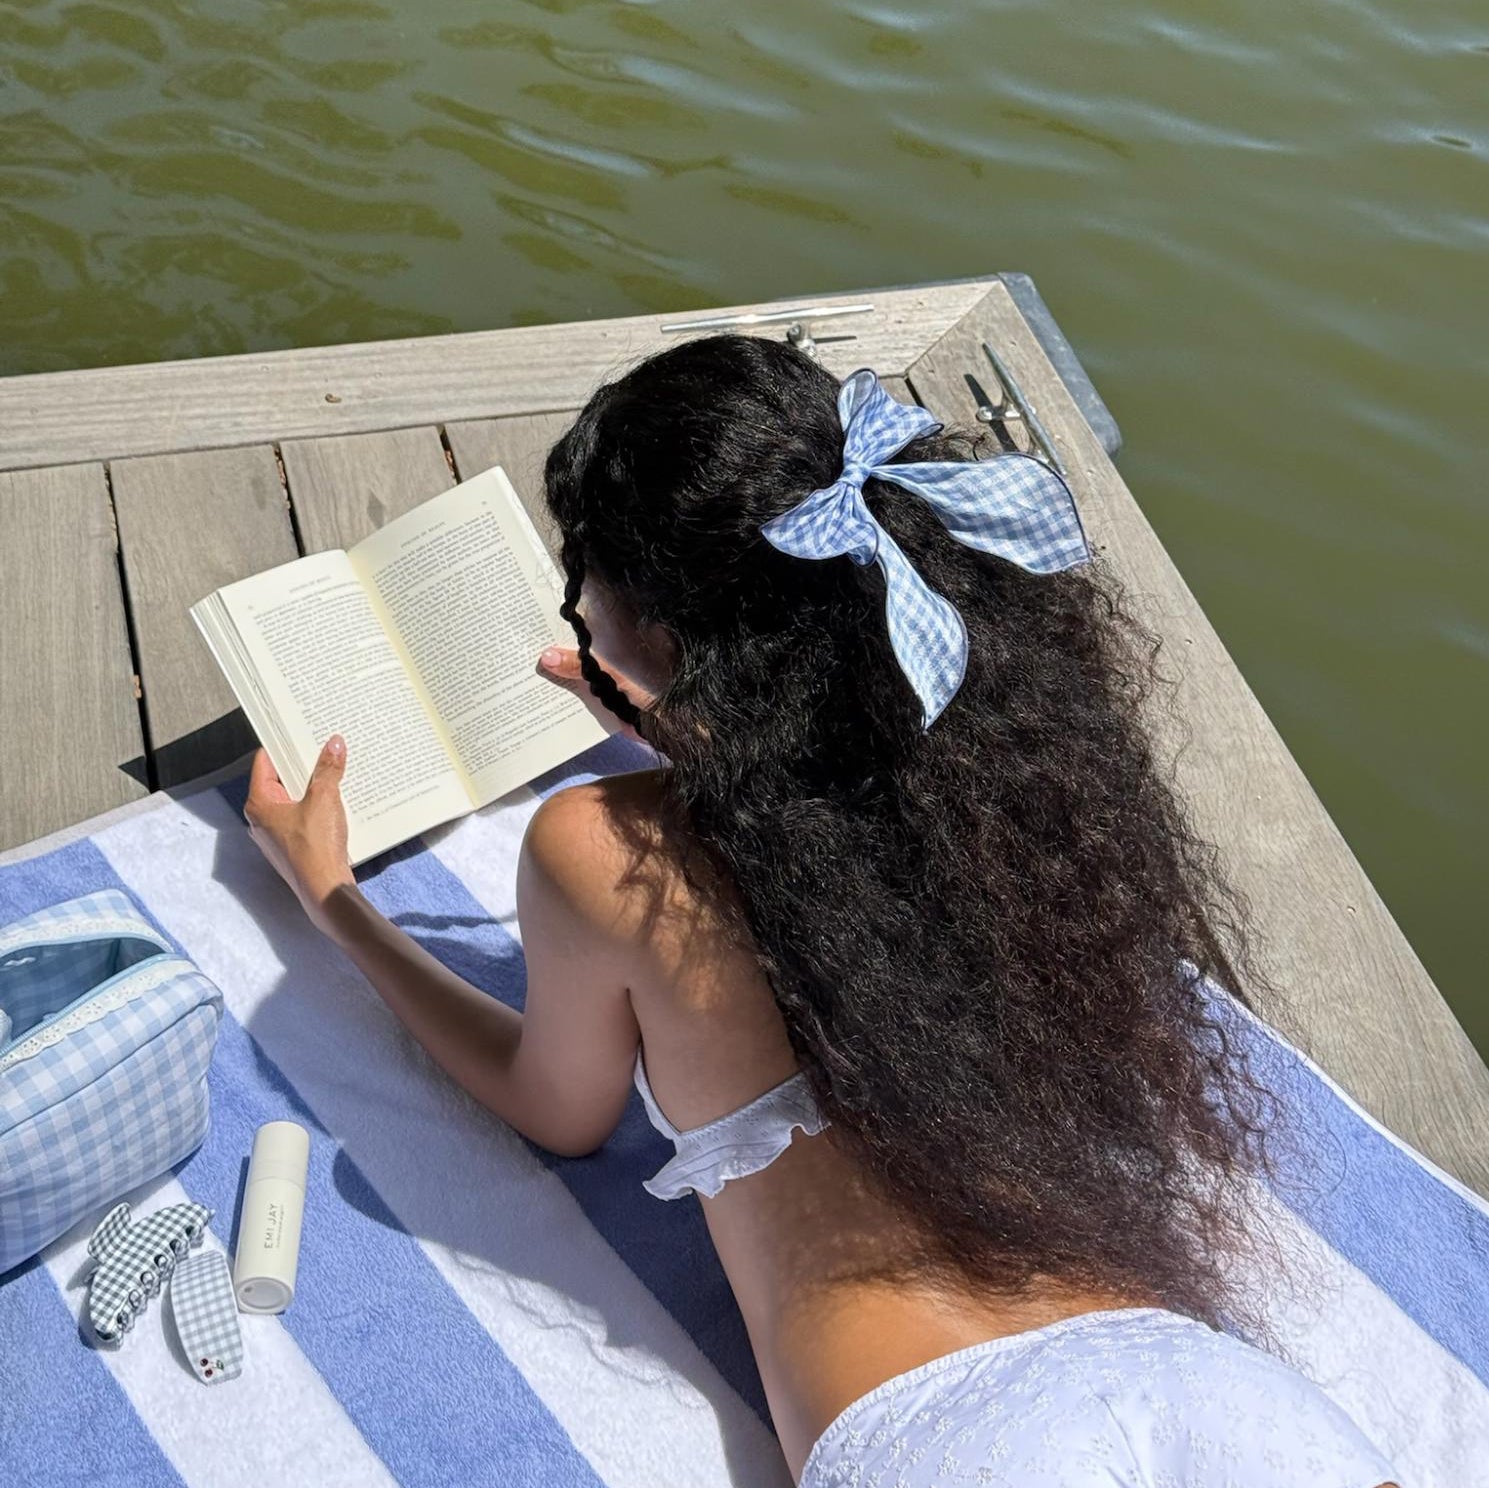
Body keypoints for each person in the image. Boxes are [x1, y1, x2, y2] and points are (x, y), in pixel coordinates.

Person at [244, 336, 1399, 1486]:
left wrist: (337, 901)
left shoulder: (603, 854)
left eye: (583, 606)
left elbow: (561, 1113)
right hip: (1203, 1383)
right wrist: (711, 731)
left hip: (952, 1442)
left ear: (663, 649)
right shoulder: (996, 794)